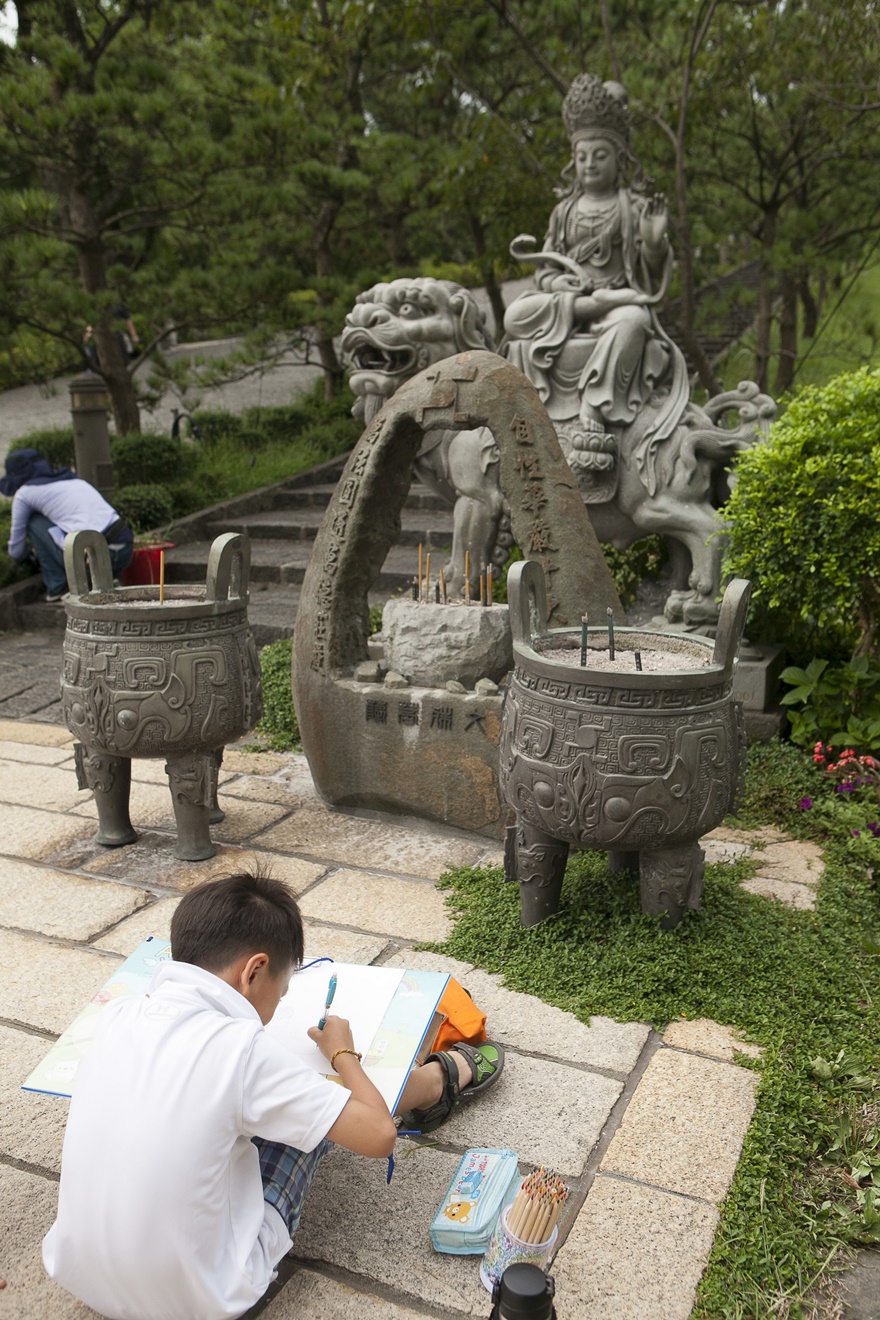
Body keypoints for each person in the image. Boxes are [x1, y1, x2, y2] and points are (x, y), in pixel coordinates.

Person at [42, 871, 504, 1320]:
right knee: (316, 1117)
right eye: (281, 994)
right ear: (255, 970)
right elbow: (379, 1136)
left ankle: (424, 1082)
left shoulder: (117, 1013)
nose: (277, 1007)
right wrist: (342, 1053)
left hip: (79, 1274)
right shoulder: (241, 1050)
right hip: (202, 1298)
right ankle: (432, 1086)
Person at [504, 73, 689, 474]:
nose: (589, 164)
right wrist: (559, 283)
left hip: (618, 301)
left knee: (635, 318)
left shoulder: (632, 207)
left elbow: (650, 274)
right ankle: (593, 308)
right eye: (582, 156)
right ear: (573, 160)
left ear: (619, 159)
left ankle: (594, 403)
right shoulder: (564, 211)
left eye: (599, 155)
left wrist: (654, 243)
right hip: (573, 305)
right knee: (515, 316)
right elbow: (546, 271)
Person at [0, 448, 134, 600]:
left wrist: (28, 561)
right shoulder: (74, 480)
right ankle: (107, 578)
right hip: (124, 552)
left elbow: (16, 551)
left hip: (93, 560)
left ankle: (57, 585)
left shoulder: (25, 493)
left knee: (34, 522)